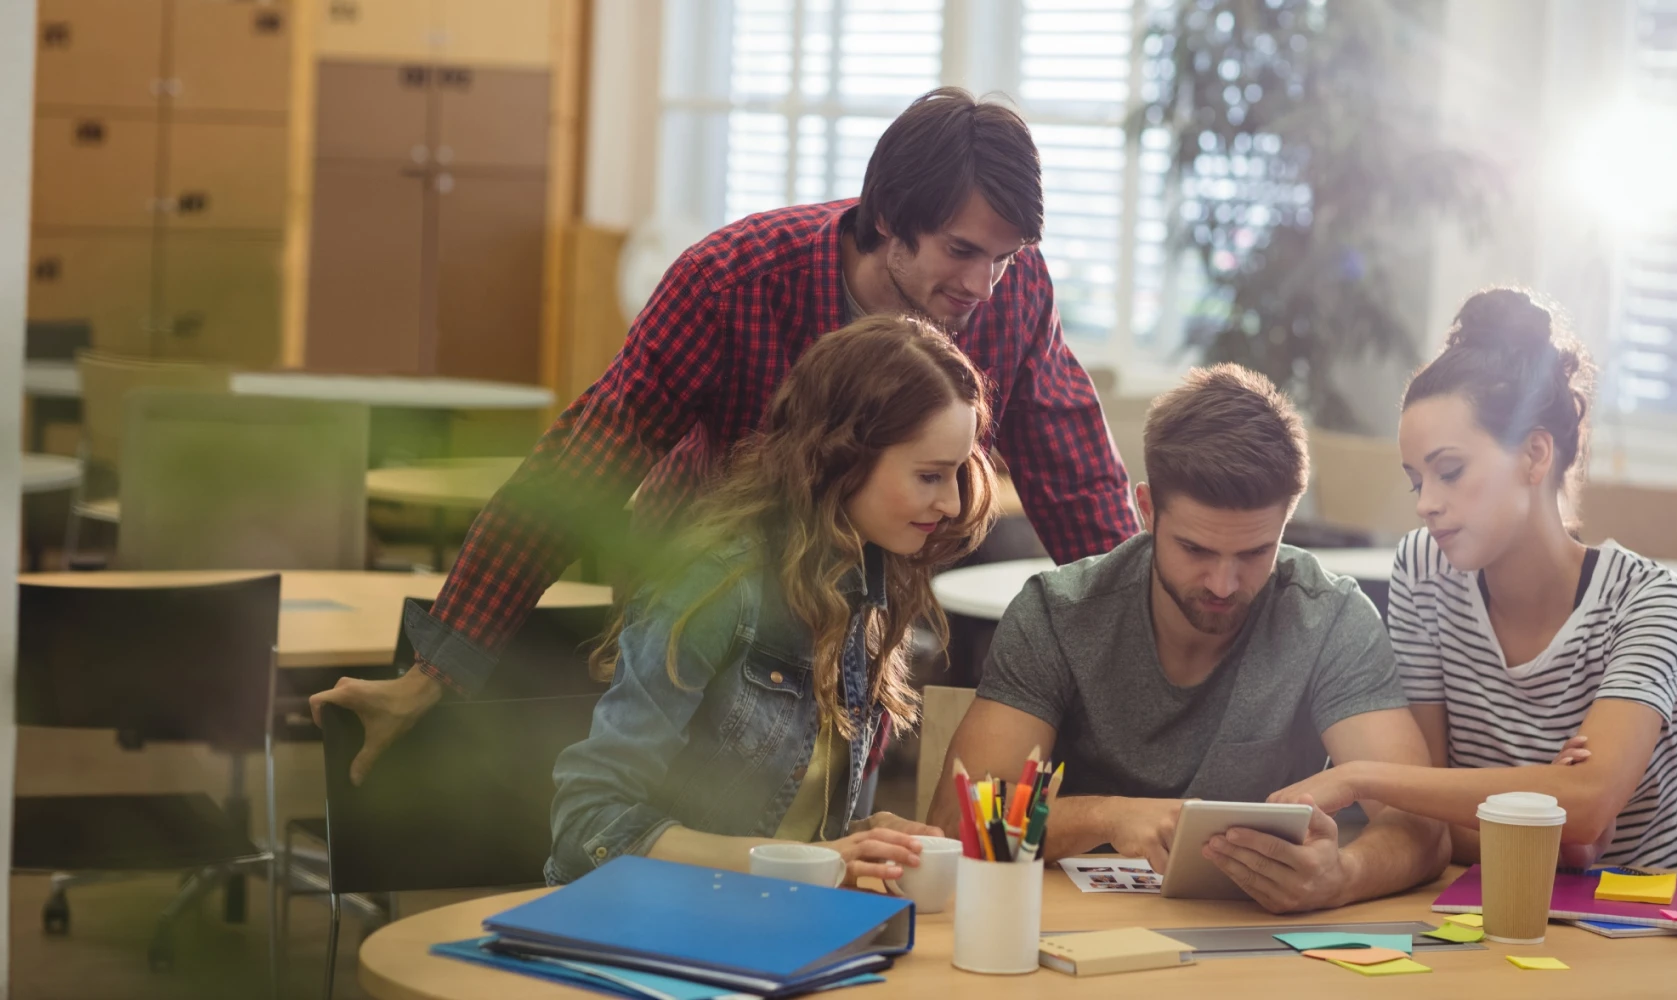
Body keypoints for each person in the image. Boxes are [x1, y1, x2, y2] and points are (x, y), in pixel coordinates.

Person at [310, 88, 1137, 782]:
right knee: (685, 826)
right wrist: (439, 667)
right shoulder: (736, 280)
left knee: (819, 831)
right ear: (889, 216)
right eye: (963, 251)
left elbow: (1078, 476)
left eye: (1005, 255)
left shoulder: (1012, 290)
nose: (984, 285)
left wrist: (1147, 641)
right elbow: (588, 459)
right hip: (703, 602)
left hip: (857, 609)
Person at [929, 364, 1448, 915]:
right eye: (1196, 550)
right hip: (1069, 930)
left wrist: (1344, 875)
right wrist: (1109, 816)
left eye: (1254, 554)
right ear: (1147, 511)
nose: (1224, 585)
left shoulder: (1330, 617)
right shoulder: (1058, 615)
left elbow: (1421, 827)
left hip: (1253, 941)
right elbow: (955, 823)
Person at [547, 315, 996, 884]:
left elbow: (787, 822)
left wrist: (856, 839)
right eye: (931, 476)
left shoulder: (862, 581)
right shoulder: (718, 587)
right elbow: (588, 825)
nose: (954, 504)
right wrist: (815, 858)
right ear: (843, 459)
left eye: (959, 474)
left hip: (770, 920)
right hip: (658, 926)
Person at [1272, 288, 1677, 869]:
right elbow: (1423, 819)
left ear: (1534, 455)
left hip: (1632, 924)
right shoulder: (1424, 570)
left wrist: (1364, 776)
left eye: (1450, 471)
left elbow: (1589, 806)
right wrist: (1547, 817)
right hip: (1472, 909)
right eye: (1417, 482)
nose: (1426, 505)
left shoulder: (1651, 602)